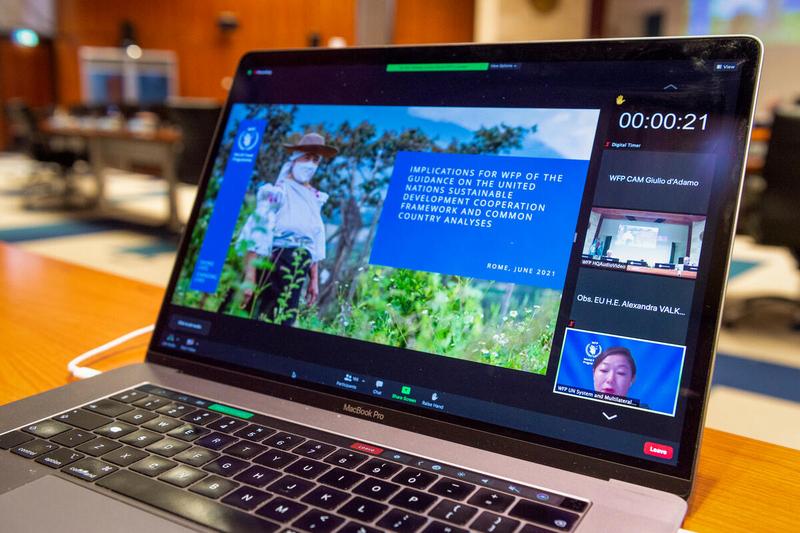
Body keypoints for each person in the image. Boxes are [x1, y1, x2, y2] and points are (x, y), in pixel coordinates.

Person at [238, 132, 338, 325]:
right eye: (307, 158)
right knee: (261, 315)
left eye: (316, 160)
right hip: (276, 261)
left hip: (299, 268)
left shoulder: (315, 198)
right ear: (295, 159)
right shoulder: (277, 192)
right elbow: (255, 232)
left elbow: (314, 241)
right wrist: (250, 276)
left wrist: (313, 281)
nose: (311, 164)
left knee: (285, 319)